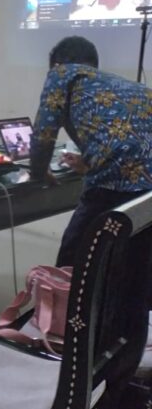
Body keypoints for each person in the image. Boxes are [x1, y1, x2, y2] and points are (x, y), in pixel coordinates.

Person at [29, 36, 152, 267]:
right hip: (148, 188)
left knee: (75, 255)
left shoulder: (61, 73)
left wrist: (38, 171)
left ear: (57, 64)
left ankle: (68, 301)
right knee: (136, 260)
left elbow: (44, 133)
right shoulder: (129, 86)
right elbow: (125, 136)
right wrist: (88, 163)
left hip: (115, 182)